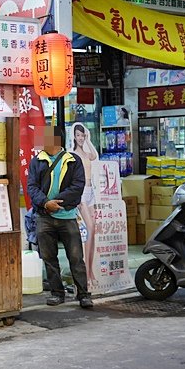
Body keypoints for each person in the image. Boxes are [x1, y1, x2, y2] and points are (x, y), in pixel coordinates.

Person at [27, 125, 93, 308]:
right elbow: (32, 187)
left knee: (76, 258)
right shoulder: (37, 161)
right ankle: (57, 293)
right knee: (49, 257)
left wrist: (57, 202)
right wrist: (46, 203)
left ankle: (84, 294)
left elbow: (77, 186)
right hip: (44, 216)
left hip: (68, 216)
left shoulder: (74, 160)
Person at [71, 122, 98, 284]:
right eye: (78, 135)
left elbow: (94, 156)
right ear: (73, 136)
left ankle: (91, 271)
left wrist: (88, 140)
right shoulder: (73, 154)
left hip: (91, 192)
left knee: (92, 233)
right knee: (90, 229)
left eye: (83, 135)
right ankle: (86, 273)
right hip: (81, 195)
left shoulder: (86, 153)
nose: (80, 138)